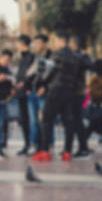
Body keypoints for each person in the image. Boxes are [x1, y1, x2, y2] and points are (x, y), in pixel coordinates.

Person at [32, 33, 84, 162]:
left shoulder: (56, 55)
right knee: (68, 121)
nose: (54, 44)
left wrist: (40, 85)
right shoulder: (75, 57)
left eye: (55, 40)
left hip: (55, 90)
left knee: (46, 119)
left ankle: (45, 151)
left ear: (62, 41)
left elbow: (46, 72)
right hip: (69, 91)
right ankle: (67, 151)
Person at [68, 36, 94, 158]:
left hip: (77, 92)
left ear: (74, 44)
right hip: (73, 91)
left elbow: (90, 65)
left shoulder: (80, 56)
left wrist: (83, 56)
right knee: (74, 121)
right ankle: (78, 147)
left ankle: (83, 148)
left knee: (77, 120)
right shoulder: (74, 56)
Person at [13, 35, 35, 155]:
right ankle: (27, 144)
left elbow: (31, 75)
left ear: (22, 44)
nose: (17, 46)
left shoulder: (31, 57)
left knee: (30, 121)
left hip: (27, 93)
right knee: (24, 120)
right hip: (20, 94)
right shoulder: (21, 58)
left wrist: (25, 85)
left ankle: (31, 144)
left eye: (18, 43)